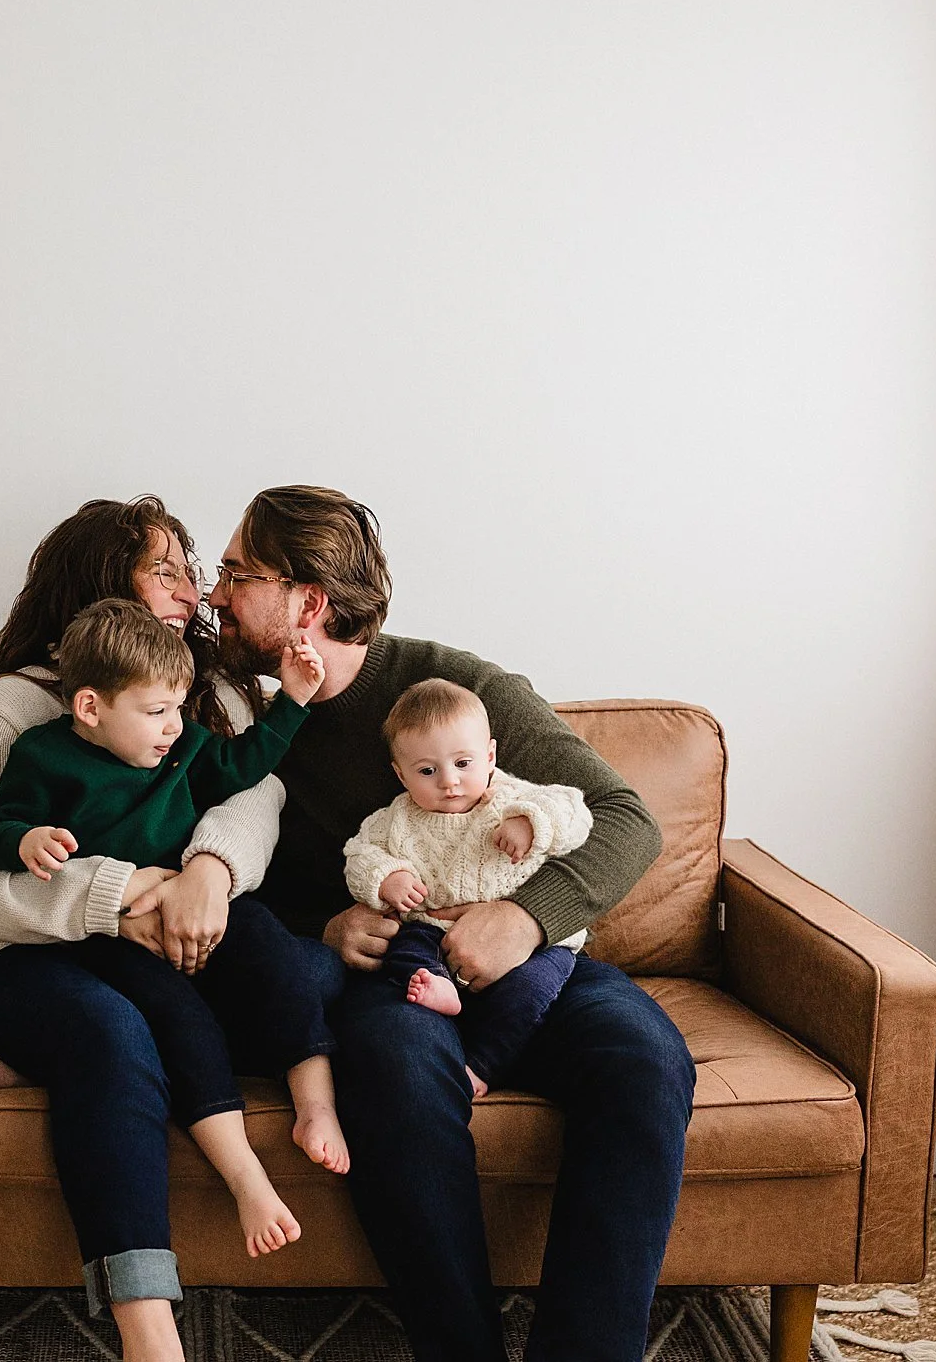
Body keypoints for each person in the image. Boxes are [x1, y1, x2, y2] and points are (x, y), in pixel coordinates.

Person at [205, 485, 697, 1362]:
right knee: (394, 1067)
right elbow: (227, 875)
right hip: (397, 978)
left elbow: (627, 818)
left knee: (646, 1060)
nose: (215, 594)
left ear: (308, 603)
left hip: (534, 967)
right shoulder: (240, 718)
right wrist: (324, 927)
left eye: (237, 573)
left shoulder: (460, 692)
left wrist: (524, 917)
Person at [0, 496, 330, 1362]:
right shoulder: (9, 715)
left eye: (190, 566)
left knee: (297, 970)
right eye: (164, 568)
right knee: (110, 1028)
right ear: (104, 582)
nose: (194, 588)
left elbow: (256, 791)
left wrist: (207, 872)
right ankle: (149, 1332)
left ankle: (29, 1064)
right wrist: (128, 892)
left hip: (146, 944)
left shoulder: (198, 696)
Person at [0, 597, 345, 1259]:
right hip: (112, 934)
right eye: (155, 711)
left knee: (278, 955)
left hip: (187, 904)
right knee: (175, 1017)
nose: (173, 727)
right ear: (89, 709)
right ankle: (244, 1174)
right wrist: (28, 841)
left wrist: (295, 700)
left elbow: (245, 766)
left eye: (179, 707)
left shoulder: (185, 745)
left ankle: (317, 1102)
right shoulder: (41, 755)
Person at [342, 677, 592, 1097]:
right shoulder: (395, 819)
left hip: (529, 945)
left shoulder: (512, 797)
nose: (448, 782)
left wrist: (531, 823)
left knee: (530, 993)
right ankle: (437, 987)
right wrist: (387, 878)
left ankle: (482, 1066)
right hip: (430, 932)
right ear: (400, 775)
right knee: (402, 955)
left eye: (463, 763)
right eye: (427, 770)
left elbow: (575, 811)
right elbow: (359, 854)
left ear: (489, 756)